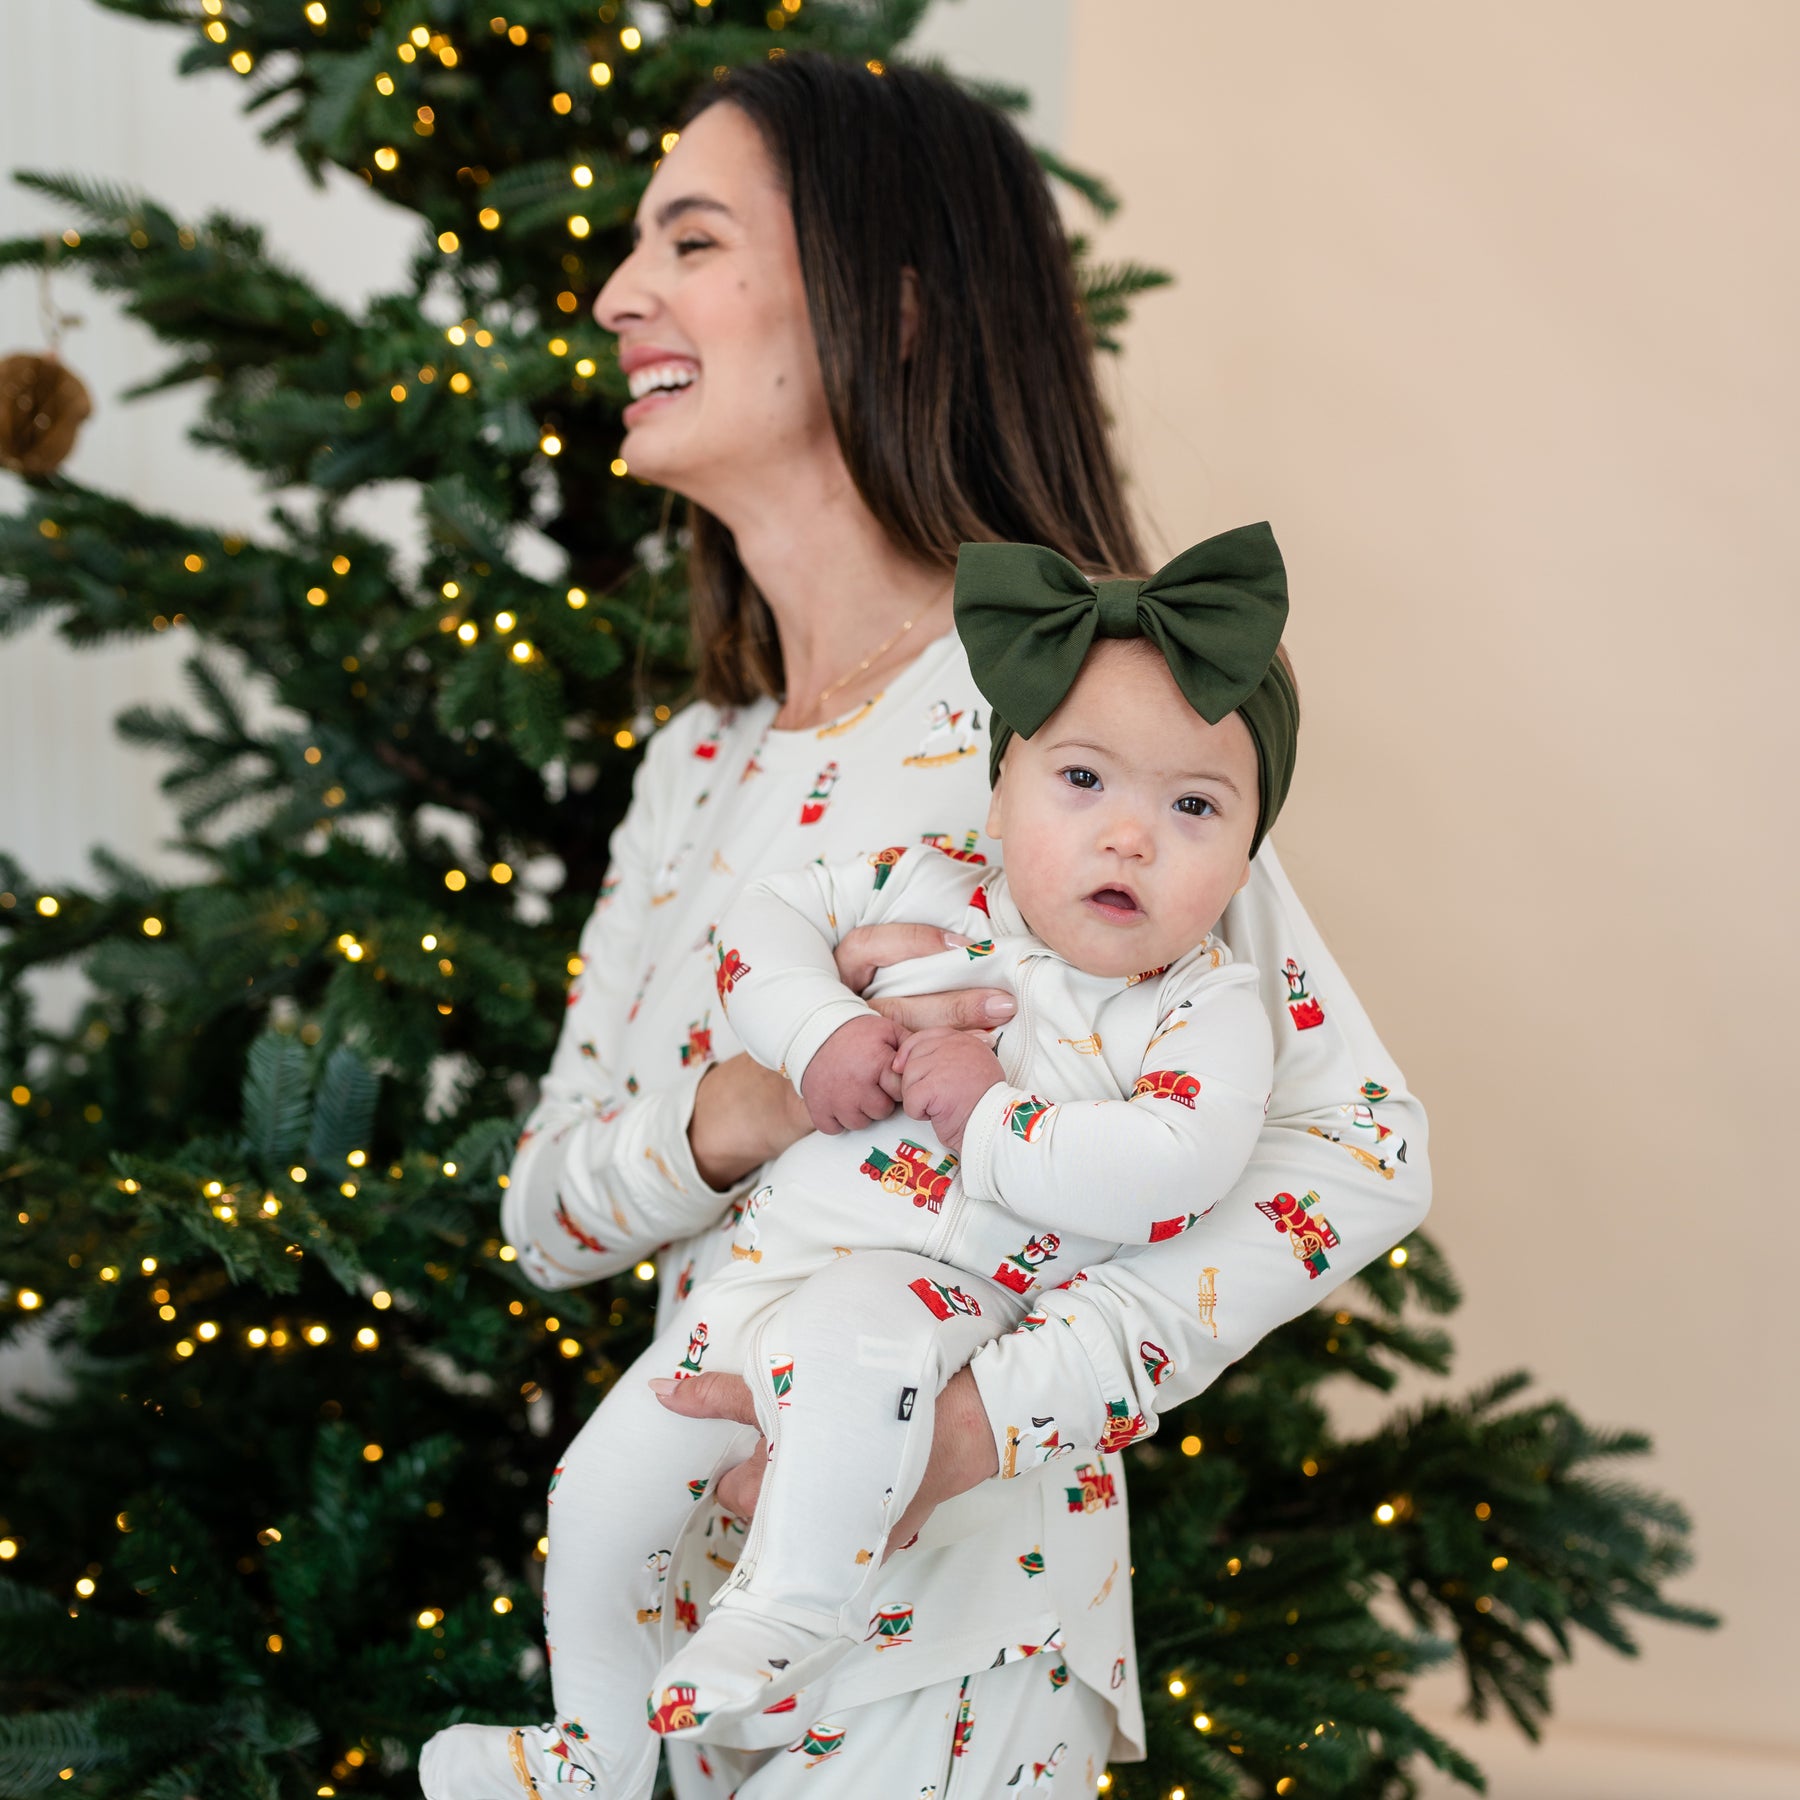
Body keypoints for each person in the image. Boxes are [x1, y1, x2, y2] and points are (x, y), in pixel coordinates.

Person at [423, 54, 1430, 1800]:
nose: (614, 293)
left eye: (694, 235)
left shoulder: (1063, 717)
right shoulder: (694, 769)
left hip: (959, 1661)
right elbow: (543, 1215)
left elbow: (1358, 1146)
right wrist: (746, 1103)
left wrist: (985, 1425)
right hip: (688, 1670)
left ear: (887, 307)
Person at [425, 528, 1301, 1796]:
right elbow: (765, 927)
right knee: (600, 1488)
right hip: (749, 1291)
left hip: (936, 1316)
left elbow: (1190, 1160)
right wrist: (818, 1038)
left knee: (851, 1332)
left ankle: (796, 1603)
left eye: (1194, 810)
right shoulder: (925, 882)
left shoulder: (1200, 1001)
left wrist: (996, 1120)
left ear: (1247, 845)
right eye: (1082, 786)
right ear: (1001, 790)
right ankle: (588, 1755)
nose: (1130, 839)